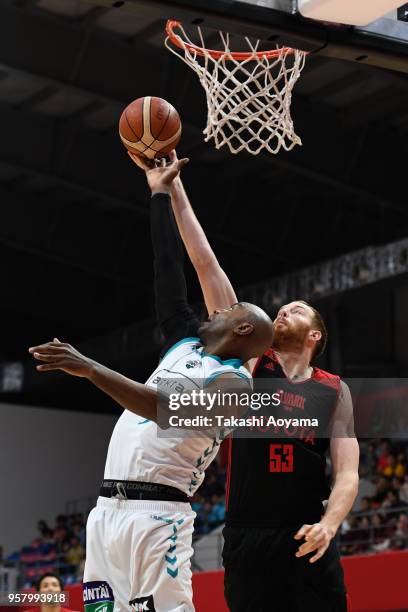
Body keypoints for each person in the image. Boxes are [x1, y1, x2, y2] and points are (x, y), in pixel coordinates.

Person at [29, 156, 274, 612]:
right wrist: (160, 193)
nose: (219, 308)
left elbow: (161, 408)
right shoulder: (185, 339)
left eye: (230, 311)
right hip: (106, 513)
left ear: (241, 331)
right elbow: (169, 265)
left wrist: (89, 368)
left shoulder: (235, 388)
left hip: (159, 517)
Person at [145, 150, 360, 612]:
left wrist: (330, 523)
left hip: (307, 532)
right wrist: (174, 188)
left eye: (297, 311)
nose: (285, 311)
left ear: (316, 335)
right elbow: (207, 265)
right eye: (283, 309)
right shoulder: (248, 362)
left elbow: (347, 473)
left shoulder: (333, 389)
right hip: (246, 535)